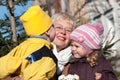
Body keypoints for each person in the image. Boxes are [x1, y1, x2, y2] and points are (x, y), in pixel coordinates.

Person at [0, 5, 57, 80]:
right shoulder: (45, 54)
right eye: (53, 26)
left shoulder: (20, 48)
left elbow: (2, 66)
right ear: (47, 31)